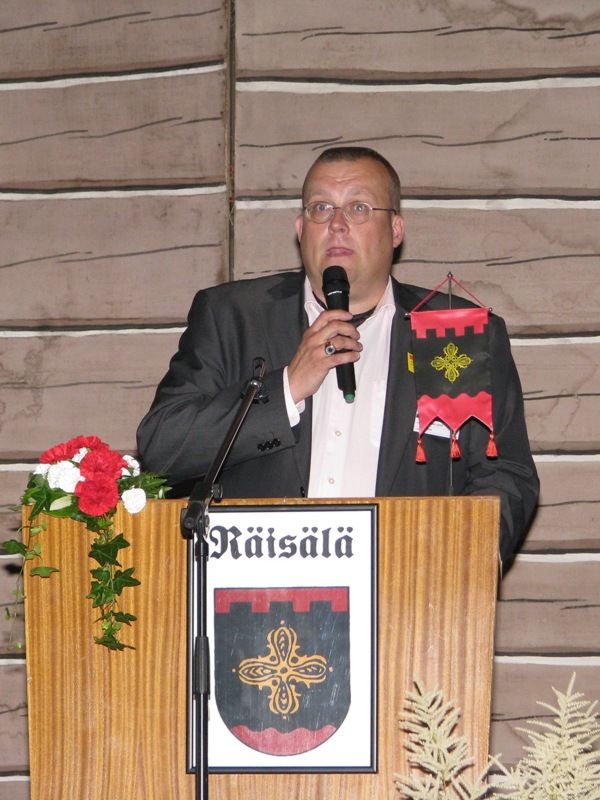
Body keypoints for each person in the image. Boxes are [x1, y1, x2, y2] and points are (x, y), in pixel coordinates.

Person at [137, 146, 539, 565]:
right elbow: (163, 447)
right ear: (300, 228)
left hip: (404, 588)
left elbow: (504, 474)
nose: (337, 224)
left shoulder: (455, 332)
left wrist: (458, 570)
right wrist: (287, 387)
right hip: (255, 587)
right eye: (321, 208)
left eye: (359, 208)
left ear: (396, 230)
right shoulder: (234, 317)